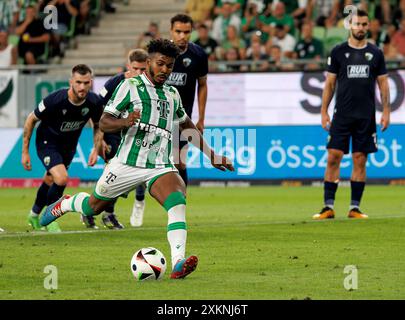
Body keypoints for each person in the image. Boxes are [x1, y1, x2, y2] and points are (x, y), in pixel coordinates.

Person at [39, 38, 234, 279]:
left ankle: (178, 262)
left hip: (159, 164)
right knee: (93, 207)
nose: (165, 70)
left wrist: (212, 156)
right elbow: (106, 122)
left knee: (177, 202)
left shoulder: (172, 94)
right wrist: (125, 121)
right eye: (161, 64)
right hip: (127, 164)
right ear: (149, 61)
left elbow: (186, 125)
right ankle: (65, 203)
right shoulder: (129, 87)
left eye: (170, 66)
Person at [313, 10, 390, 220]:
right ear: (350, 25)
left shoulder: (376, 53)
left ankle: (354, 207)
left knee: (360, 159)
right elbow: (329, 83)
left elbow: (383, 83)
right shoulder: (338, 52)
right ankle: (327, 206)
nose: (361, 28)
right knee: (333, 157)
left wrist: (386, 110)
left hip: (366, 116)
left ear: (369, 26)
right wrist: (323, 111)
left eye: (365, 24)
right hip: (342, 115)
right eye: (357, 24)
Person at [22, 64, 104, 232]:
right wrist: (25, 152)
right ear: (71, 82)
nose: (82, 87)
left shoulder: (94, 102)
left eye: (86, 83)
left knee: (50, 180)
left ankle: (33, 214)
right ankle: (50, 217)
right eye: (78, 82)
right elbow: (31, 119)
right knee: (61, 178)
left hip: (68, 147)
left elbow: (98, 125)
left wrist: (96, 150)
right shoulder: (55, 100)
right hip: (47, 143)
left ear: (91, 82)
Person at [88, 48, 148, 229]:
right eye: (135, 69)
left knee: (124, 179)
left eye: (143, 70)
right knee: (113, 177)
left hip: (132, 137)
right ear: (128, 66)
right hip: (112, 135)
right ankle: (95, 211)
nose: (139, 73)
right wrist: (98, 142)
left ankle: (105, 212)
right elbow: (97, 112)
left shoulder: (148, 86)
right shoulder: (114, 83)